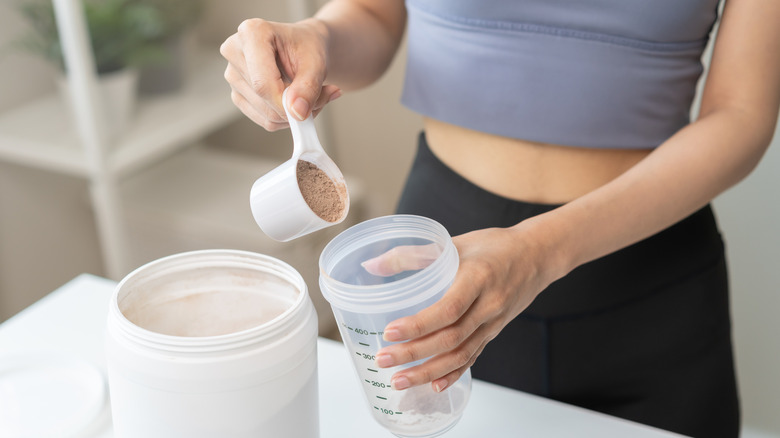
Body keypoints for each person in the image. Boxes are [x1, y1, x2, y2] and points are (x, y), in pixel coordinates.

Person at [220, 1, 780, 436]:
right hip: (439, 270)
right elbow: (370, 16)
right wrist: (315, 40)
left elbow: (742, 114)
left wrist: (541, 250)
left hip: (646, 269)